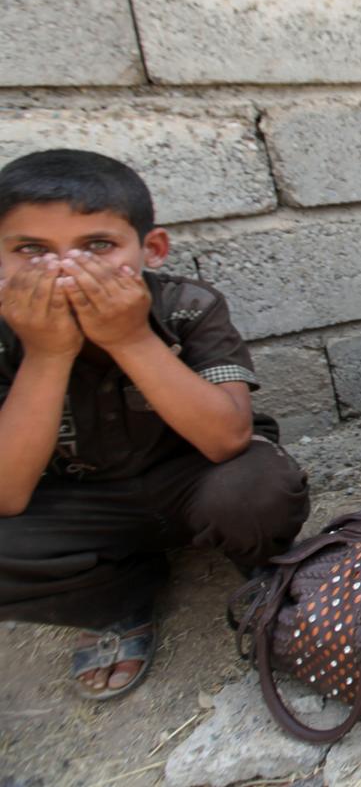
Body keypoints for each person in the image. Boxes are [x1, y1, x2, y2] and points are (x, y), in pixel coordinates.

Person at [0, 150, 309, 700]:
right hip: (77, 500)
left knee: (260, 485)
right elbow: (8, 493)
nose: (67, 270)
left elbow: (226, 439)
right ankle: (115, 599)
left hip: (192, 480)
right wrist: (46, 356)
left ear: (151, 250)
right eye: (31, 251)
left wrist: (128, 339)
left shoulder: (187, 308)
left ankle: (263, 572)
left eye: (97, 246)